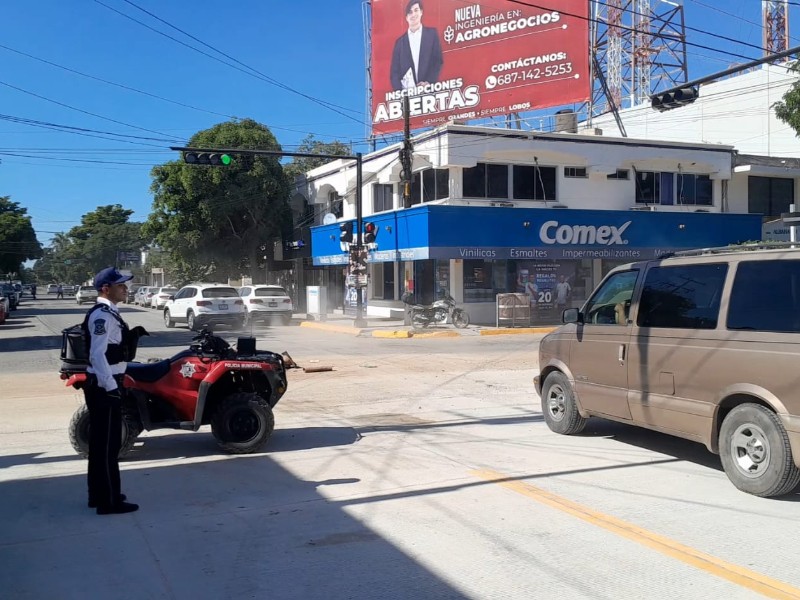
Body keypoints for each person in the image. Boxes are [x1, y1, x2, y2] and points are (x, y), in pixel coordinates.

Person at [82, 267, 140, 515]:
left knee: (100, 445)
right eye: (120, 285)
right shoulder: (102, 316)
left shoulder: (109, 313)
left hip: (106, 382)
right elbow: (97, 355)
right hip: (104, 386)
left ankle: (99, 494)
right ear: (106, 288)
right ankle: (109, 501)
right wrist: (111, 386)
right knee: (107, 446)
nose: (125, 289)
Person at [390, 1, 443, 91]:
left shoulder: (432, 34)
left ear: (421, 12)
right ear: (406, 17)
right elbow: (394, 72)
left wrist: (429, 82)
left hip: (428, 91)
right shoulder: (400, 42)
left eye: (416, 10)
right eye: (410, 12)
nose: (413, 14)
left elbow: (437, 60)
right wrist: (400, 92)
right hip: (407, 95)